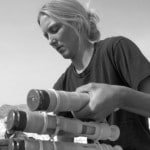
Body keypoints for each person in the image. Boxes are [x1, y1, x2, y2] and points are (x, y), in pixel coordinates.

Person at [37, 0, 150, 149]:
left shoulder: (116, 49)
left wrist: (119, 97)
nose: (50, 41)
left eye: (54, 29)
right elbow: (64, 143)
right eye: (46, 36)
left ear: (77, 23)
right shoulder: (62, 87)